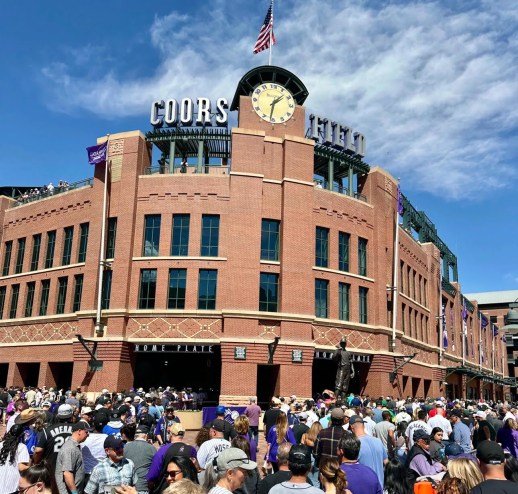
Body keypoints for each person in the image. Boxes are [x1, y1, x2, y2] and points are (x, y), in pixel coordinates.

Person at [349, 414, 387, 488]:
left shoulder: (355, 445)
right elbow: (386, 462)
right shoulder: (377, 441)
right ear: (364, 426)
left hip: (365, 487)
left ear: (351, 428)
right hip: (380, 486)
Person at [55, 421, 90, 494]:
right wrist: (74, 492)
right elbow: (67, 474)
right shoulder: (70, 448)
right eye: (86, 432)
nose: (88, 435)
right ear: (79, 431)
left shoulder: (74, 446)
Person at [123, 424, 157, 494]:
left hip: (127, 488)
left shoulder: (125, 447)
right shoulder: (151, 448)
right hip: (143, 487)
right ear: (146, 435)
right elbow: (155, 469)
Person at [0, 424, 30, 493]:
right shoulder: (22, 447)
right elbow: (21, 467)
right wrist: (32, 467)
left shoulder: (1, 444)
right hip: (11, 487)